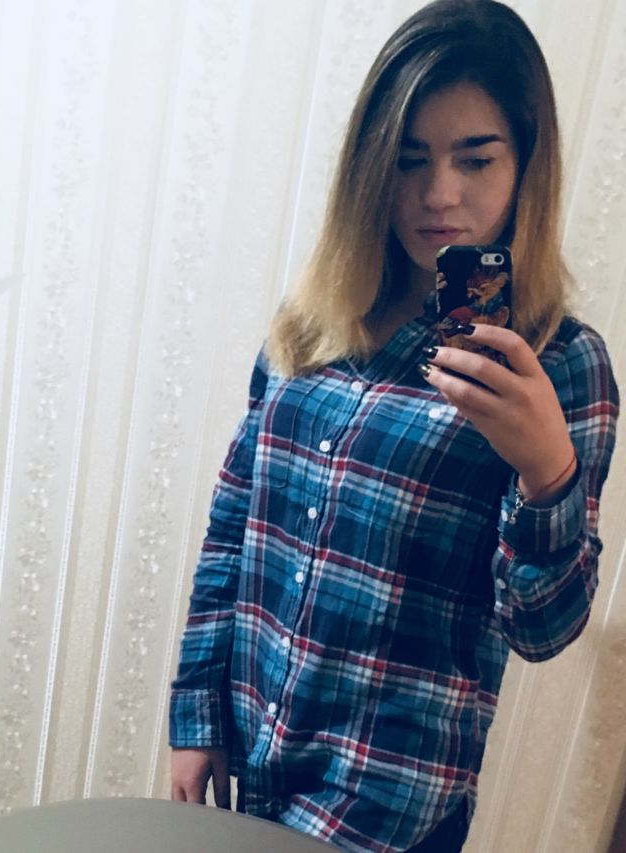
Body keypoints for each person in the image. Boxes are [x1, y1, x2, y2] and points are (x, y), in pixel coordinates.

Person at [169, 1, 619, 850]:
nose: (439, 193)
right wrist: (195, 713)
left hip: (388, 807)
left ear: (527, 163)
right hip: (252, 759)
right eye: (409, 159)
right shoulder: (315, 322)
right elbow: (233, 522)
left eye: (475, 158)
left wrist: (546, 473)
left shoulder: (559, 363)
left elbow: (543, 629)